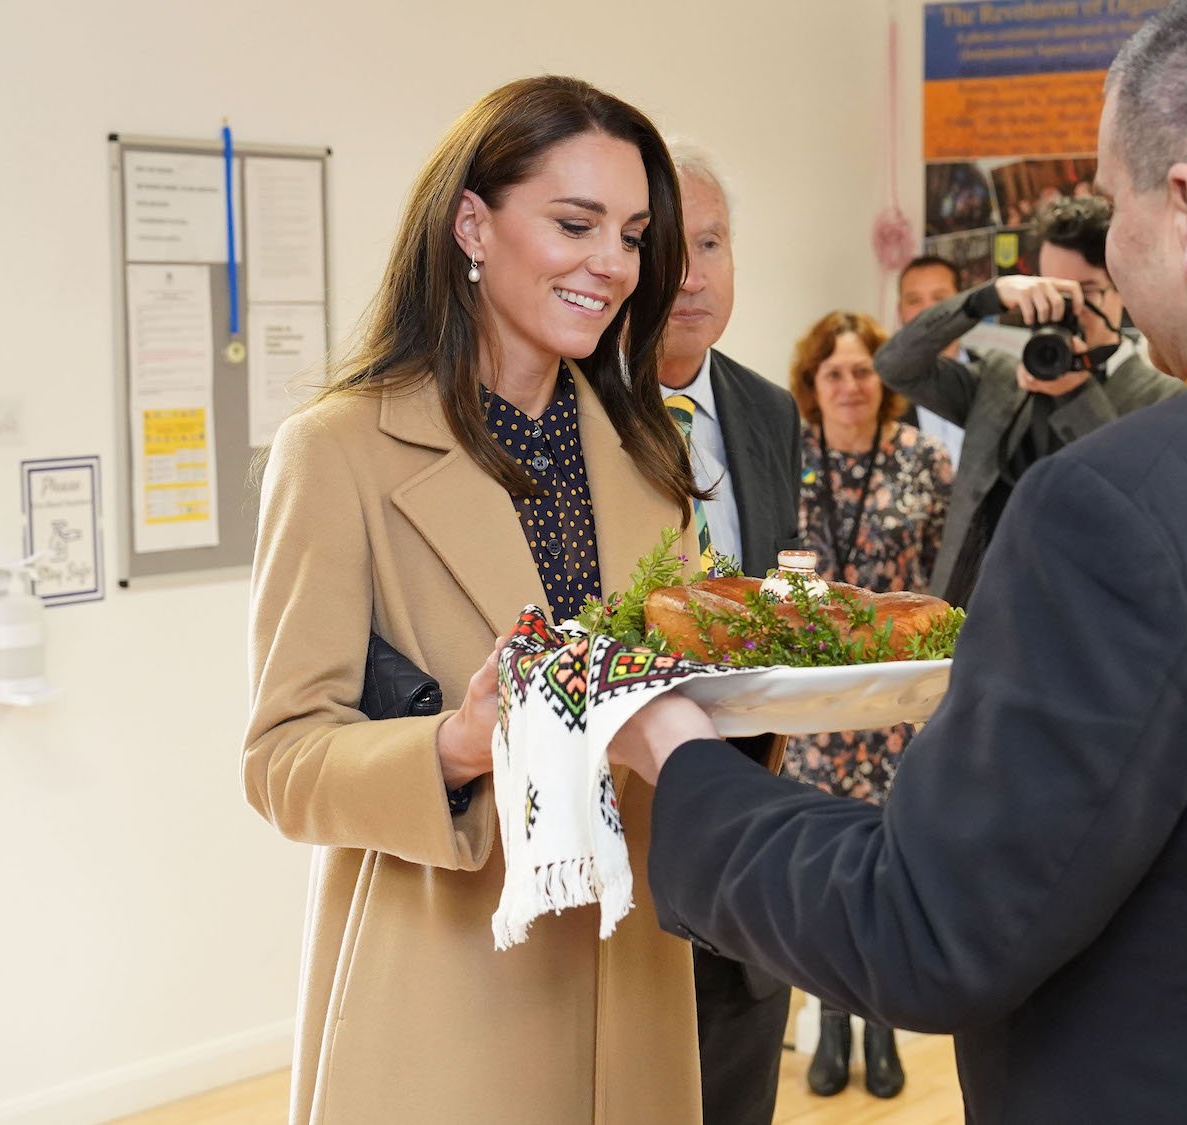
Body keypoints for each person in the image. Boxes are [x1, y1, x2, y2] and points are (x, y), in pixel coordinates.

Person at [608, 2, 1187, 1122]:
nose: (1108, 246)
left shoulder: (1129, 503)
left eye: (1113, 203)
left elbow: (925, 928)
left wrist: (681, 762)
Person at [243, 76, 708, 1124]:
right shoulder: (338, 452)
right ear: (473, 225)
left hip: (632, 983)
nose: (612, 264)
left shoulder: (649, 453)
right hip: (446, 998)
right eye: (575, 223)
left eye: (632, 235)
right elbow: (280, 761)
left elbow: (678, 707)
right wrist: (456, 745)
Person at [656, 144, 802, 1125]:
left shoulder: (768, 411)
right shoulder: (566, 408)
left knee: (737, 1082)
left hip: (748, 816)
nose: (692, 274)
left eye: (711, 244)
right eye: (668, 246)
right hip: (622, 826)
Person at [781, 311, 951, 1100]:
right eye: (834, 373)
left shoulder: (921, 459)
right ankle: (833, 1020)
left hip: (897, 699)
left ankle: (881, 1023)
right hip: (813, 700)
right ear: (811, 386)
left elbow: (952, 564)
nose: (850, 385)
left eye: (862, 370)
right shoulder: (790, 459)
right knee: (821, 870)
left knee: (888, 869)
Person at [876, 195, 1187, 608]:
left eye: (1086, 291)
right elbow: (895, 364)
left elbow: (1130, 502)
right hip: (977, 615)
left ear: (1122, 293)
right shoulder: (999, 379)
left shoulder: (1162, 397)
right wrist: (984, 299)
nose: (1066, 308)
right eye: (1054, 291)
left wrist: (1077, 395)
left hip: (1089, 623)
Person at [895, 255, 968, 468]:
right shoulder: (882, 387)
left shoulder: (995, 377)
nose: (928, 311)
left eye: (939, 297)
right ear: (900, 311)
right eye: (914, 300)